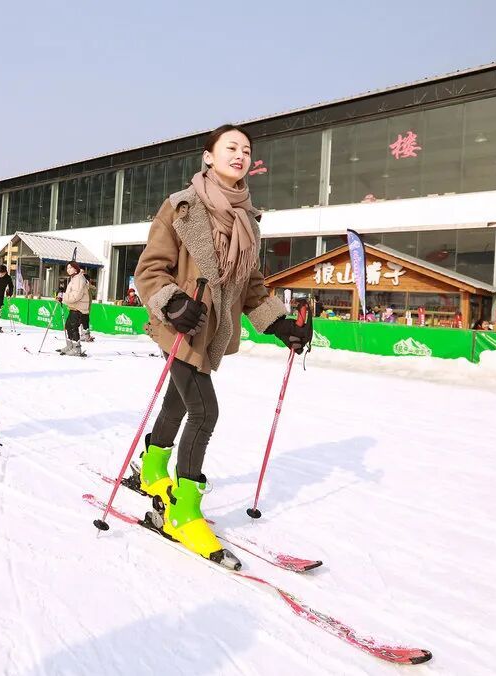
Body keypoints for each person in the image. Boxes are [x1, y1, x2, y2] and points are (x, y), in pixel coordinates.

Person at [133, 124, 306, 567]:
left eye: (247, 150)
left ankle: (152, 470)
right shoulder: (181, 208)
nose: (241, 155)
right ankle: (183, 511)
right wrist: (171, 304)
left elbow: (250, 285)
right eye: (231, 147)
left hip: (212, 332)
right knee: (205, 410)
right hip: (178, 326)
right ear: (208, 157)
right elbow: (150, 270)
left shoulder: (248, 220)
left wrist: (280, 323)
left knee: (178, 402)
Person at [60, 261, 91, 356]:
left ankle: (77, 349)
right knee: (68, 326)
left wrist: (63, 297)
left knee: (73, 327)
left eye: (70, 268)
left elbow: (75, 296)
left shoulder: (78, 279)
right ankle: (70, 346)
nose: (68, 270)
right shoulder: (74, 278)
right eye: (67, 268)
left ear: (76, 268)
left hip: (79, 308)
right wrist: (62, 296)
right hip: (75, 307)